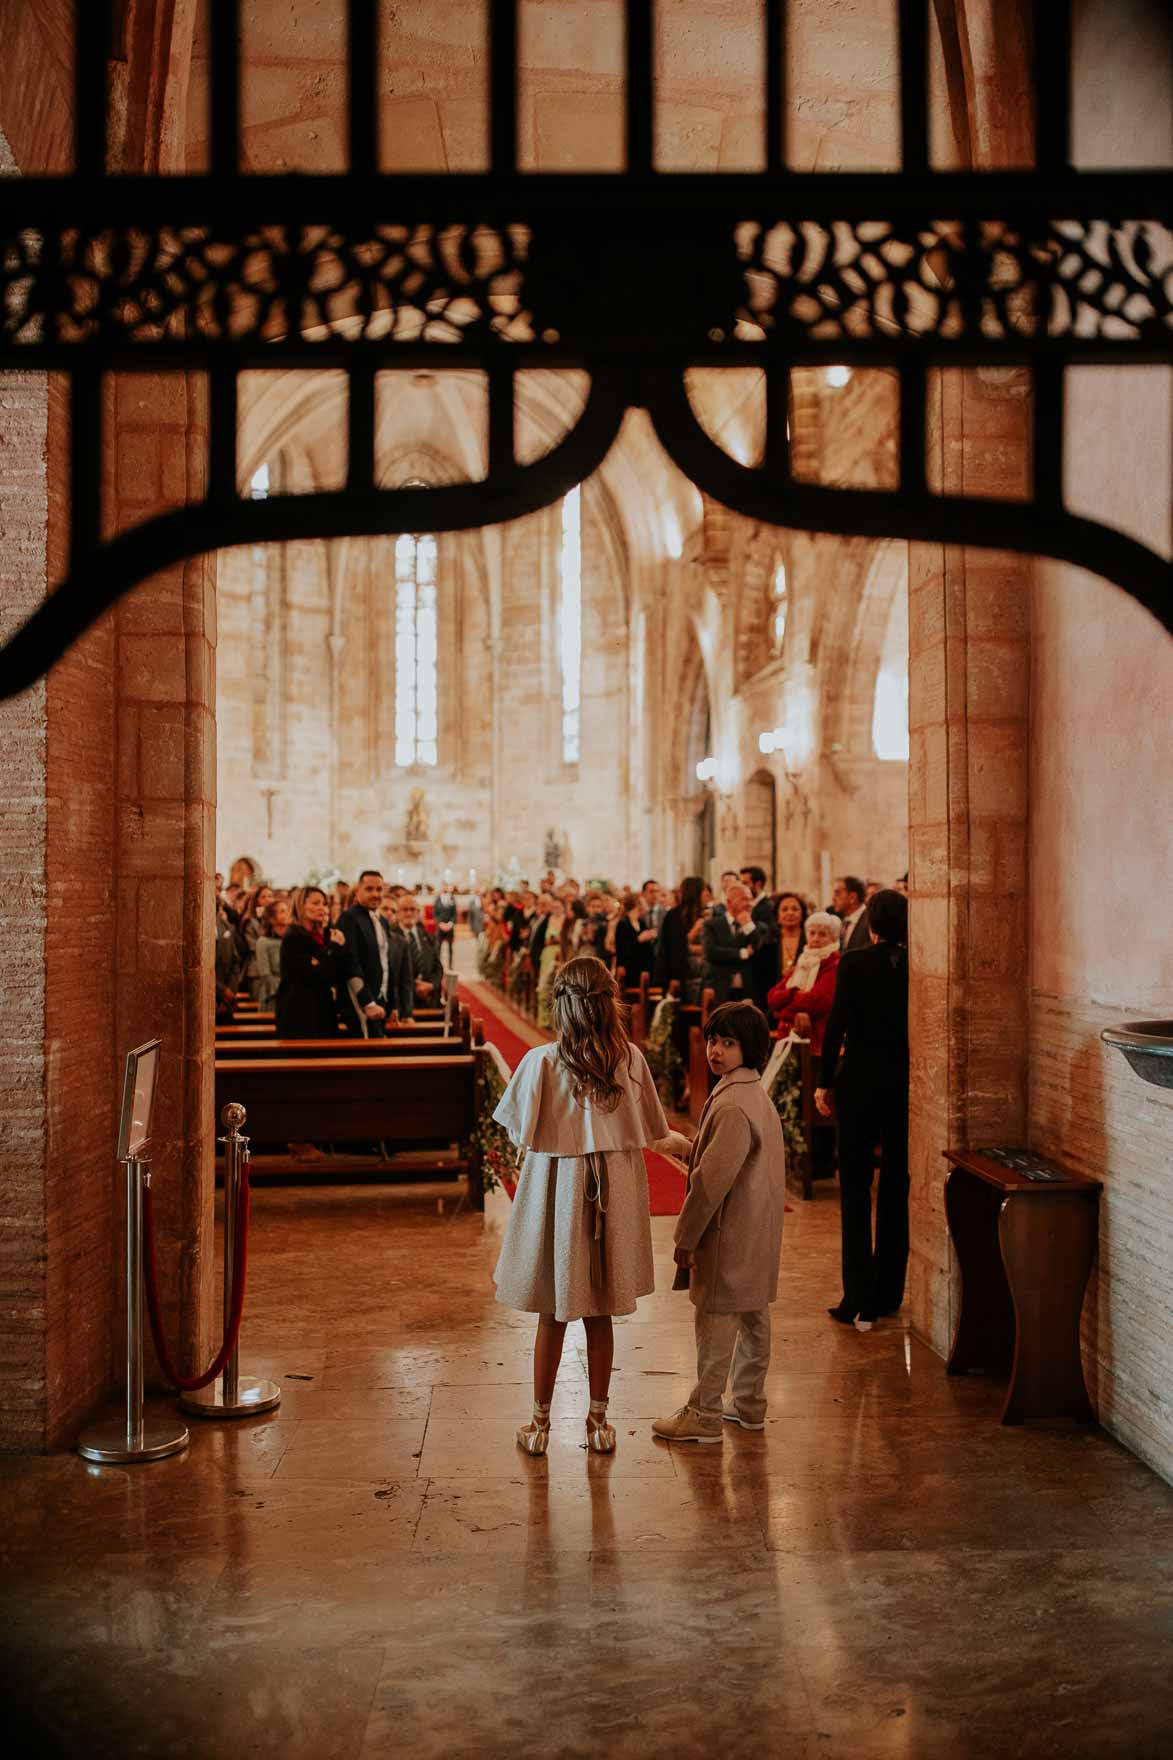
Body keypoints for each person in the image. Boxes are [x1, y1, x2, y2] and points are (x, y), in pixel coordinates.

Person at [492, 956, 690, 1457]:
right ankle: (598, 1421)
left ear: (562, 1006)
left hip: (557, 1188)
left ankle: (538, 1426)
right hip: (614, 1186)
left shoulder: (540, 1061)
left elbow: (518, 1130)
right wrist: (683, 1146)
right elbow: (652, 1130)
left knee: (553, 1312)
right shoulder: (630, 1061)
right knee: (599, 1311)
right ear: (610, 1005)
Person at [652, 1000, 786, 1445]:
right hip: (757, 1230)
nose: (715, 1050)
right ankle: (749, 1404)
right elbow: (728, 1159)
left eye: (728, 1043)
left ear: (749, 1048)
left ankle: (705, 1414)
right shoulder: (751, 1093)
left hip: (729, 1232)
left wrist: (685, 1237)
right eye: (712, 1040)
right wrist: (684, 1146)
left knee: (715, 1320)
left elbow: (711, 1183)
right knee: (752, 1317)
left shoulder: (731, 1104)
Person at [816, 888, 910, 1332]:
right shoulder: (916, 966)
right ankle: (890, 1291)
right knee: (895, 1184)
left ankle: (858, 1296)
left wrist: (822, 1081)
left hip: (858, 1081)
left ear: (871, 924)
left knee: (855, 1187)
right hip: (902, 1084)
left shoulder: (855, 963)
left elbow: (838, 1022)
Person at [337, 869, 412, 1037]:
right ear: (358, 892)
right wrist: (367, 1002)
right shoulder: (349, 918)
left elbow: (386, 964)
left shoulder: (380, 920)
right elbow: (349, 963)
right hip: (360, 1002)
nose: (375, 894)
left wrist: (392, 1004)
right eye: (369, 889)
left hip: (380, 1000)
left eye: (379, 889)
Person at [276, 886, 346, 1040]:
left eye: (324, 904)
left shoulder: (324, 935)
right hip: (299, 1011)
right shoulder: (294, 937)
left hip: (323, 1010)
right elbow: (315, 976)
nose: (322, 908)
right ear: (301, 906)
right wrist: (333, 948)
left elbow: (334, 972)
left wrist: (333, 950)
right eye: (316, 903)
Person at [766, 910, 840, 1053]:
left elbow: (817, 1002)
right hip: (786, 1035)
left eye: (822, 934)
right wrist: (793, 992)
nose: (816, 938)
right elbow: (772, 997)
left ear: (833, 938)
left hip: (813, 1037)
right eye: (812, 933)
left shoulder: (833, 964)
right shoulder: (803, 960)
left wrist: (782, 1013)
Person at [702, 880, 764, 1005]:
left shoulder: (757, 927)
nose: (750, 904)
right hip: (720, 988)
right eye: (744, 899)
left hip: (749, 989)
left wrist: (748, 926)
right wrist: (742, 953)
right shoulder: (712, 924)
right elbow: (711, 952)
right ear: (729, 902)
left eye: (751, 899)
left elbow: (760, 951)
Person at [653, 874, 709, 998]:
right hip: (680, 975)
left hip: (703, 973)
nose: (707, 895)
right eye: (704, 892)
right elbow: (673, 949)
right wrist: (674, 978)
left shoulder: (706, 914)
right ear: (696, 893)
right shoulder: (674, 916)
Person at [395, 891, 445, 1010]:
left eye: (413, 909)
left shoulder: (429, 937)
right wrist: (415, 987)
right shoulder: (391, 936)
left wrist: (431, 985)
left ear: (418, 913)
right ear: (397, 913)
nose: (409, 913)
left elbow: (438, 968)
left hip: (428, 999)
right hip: (402, 1002)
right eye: (405, 909)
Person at [739, 864, 778, 1008]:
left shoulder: (768, 907)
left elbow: (766, 938)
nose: (742, 887)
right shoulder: (746, 906)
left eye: (745, 883)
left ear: (758, 884)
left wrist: (748, 925)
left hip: (763, 970)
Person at [252, 898, 290, 1013]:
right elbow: (266, 975)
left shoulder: (291, 940)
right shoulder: (263, 942)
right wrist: (290, 988)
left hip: (292, 996)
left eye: (287, 910)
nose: (288, 913)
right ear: (272, 919)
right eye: (282, 911)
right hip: (274, 996)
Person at [771, 891, 808, 995]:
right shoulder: (769, 943)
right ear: (777, 916)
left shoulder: (811, 941)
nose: (790, 913)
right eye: (784, 909)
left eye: (795, 909)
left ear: (802, 915)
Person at [613, 890, 653, 985]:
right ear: (636, 904)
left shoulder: (641, 922)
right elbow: (621, 948)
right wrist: (639, 939)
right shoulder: (623, 923)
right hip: (629, 966)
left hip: (643, 965)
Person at [831, 874, 870, 952]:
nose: (833, 898)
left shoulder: (869, 921)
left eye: (837, 894)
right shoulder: (841, 920)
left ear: (852, 897)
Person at [434, 884, 458, 968]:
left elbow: (454, 914)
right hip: (440, 927)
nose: (444, 887)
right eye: (443, 886)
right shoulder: (437, 899)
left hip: (449, 927)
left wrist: (450, 924)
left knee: (450, 948)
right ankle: (438, 966)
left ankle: (450, 966)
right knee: (438, 948)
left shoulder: (452, 898)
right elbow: (435, 914)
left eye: (446, 886)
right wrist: (440, 924)